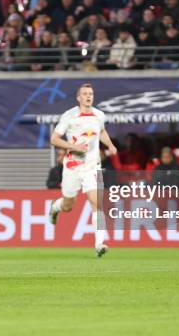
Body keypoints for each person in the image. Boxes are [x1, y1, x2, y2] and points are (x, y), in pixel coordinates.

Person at [48, 84, 117, 257]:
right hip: (72, 166)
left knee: (97, 203)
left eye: (91, 94)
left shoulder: (99, 115)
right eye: (85, 94)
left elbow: (101, 131)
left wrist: (110, 144)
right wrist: (73, 146)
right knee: (68, 205)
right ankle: (55, 208)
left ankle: (99, 244)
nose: (88, 96)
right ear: (78, 97)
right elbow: (54, 139)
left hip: (92, 166)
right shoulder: (69, 116)